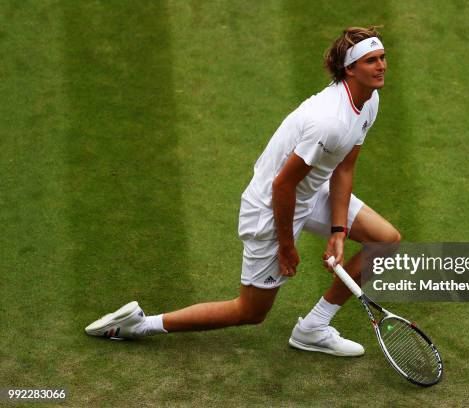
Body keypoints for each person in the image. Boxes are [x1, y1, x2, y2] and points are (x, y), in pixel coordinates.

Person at [85, 26, 400, 357]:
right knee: (250, 312)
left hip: (311, 191)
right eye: (371, 61)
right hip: (271, 206)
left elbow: (344, 168)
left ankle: (313, 328)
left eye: (382, 58)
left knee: (385, 239)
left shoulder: (369, 101)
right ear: (350, 69)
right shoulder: (328, 121)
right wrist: (287, 246)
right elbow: (282, 185)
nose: (381, 66)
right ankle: (140, 324)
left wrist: (338, 231)